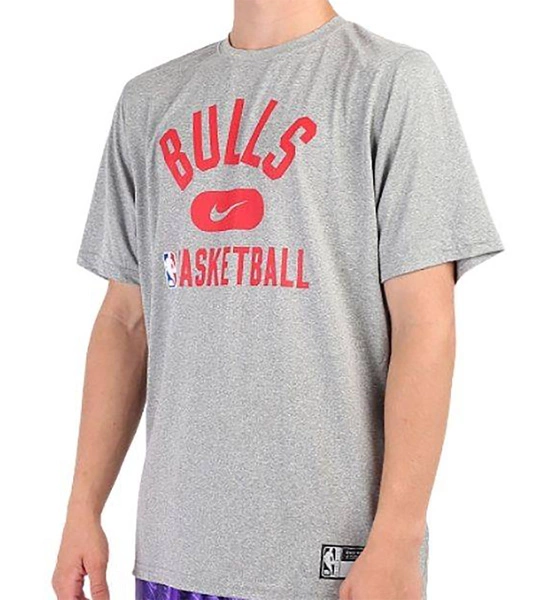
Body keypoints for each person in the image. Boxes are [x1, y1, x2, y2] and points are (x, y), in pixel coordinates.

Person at [52, 1, 503, 599]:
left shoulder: (390, 81)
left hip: (332, 562)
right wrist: (82, 507)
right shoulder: (149, 101)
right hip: (172, 553)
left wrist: (398, 536)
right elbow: (125, 320)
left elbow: (425, 323)